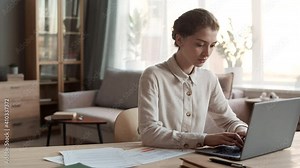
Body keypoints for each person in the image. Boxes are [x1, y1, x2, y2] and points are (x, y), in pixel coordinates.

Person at [138, 8, 248, 149]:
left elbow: (228, 120)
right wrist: (205, 139)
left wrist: (242, 131)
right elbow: (149, 134)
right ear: (179, 40)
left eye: (212, 45)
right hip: (158, 158)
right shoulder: (153, 75)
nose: (207, 53)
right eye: (200, 45)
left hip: (194, 157)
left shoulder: (209, 79)